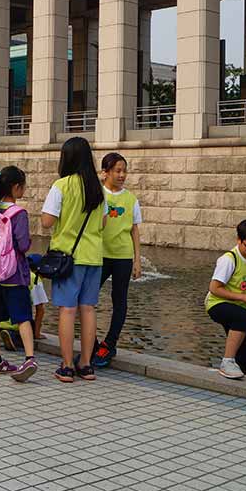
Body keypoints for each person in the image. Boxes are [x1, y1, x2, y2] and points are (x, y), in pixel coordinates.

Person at [42, 136, 107, 383]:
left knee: (67, 310)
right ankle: (87, 365)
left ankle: (67, 366)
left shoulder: (62, 186)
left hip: (68, 258)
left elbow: (47, 221)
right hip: (93, 256)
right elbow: (102, 222)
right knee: (88, 309)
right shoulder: (98, 188)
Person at [0, 166, 37, 382]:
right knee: (23, 317)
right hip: (14, 274)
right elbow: (23, 244)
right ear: (16, 187)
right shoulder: (18, 213)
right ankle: (29, 358)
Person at [94, 152, 143, 368]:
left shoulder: (131, 199)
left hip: (122, 256)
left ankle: (110, 343)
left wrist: (137, 260)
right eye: (117, 171)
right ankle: (92, 342)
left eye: (124, 171)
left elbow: (134, 230)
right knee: (87, 300)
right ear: (105, 172)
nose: (122, 175)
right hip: (99, 255)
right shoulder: (97, 194)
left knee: (120, 301)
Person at [206, 219, 246, 380]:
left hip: (240, 307)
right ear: (239, 240)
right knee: (243, 317)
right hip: (217, 303)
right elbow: (214, 288)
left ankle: (230, 382)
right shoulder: (229, 259)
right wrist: (244, 297)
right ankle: (227, 362)